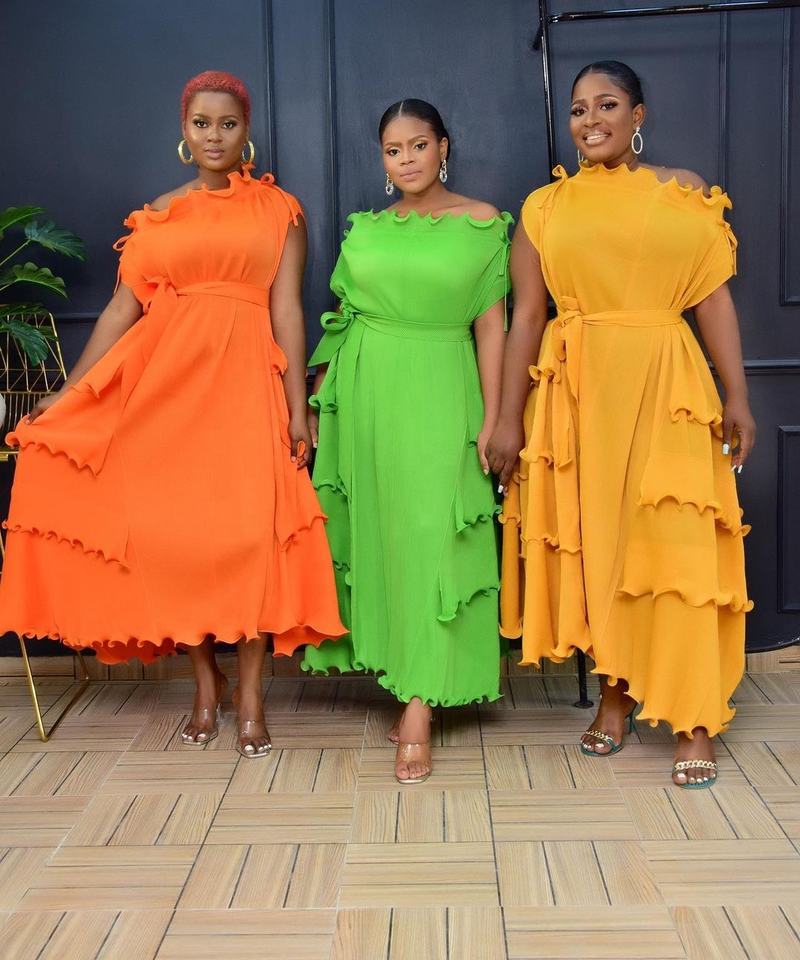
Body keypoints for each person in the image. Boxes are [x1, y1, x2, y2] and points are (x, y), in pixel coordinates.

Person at [0, 70, 344, 758]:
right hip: (164, 390)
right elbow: (122, 311)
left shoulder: (280, 211)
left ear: (246, 132)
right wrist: (69, 393)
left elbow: (286, 310)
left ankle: (251, 697)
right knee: (175, 543)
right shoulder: (158, 215)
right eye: (201, 124)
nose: (215, 136)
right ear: (184, 133)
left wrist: (295, 410)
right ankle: (206, 684)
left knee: (251, 539)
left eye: (228, 124)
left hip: (245, 385)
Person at [488, 61, 754, 788]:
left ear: (638, 116)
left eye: (607, 105)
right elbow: (525, 319)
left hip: (668, 382)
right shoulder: (544, 207)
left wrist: (737, 394)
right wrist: (507, 418)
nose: (590, 120)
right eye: (578, 109)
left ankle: (694, 717)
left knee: (676, 544)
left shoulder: (684, 191)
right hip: (578, 392)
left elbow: (713, 300)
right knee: (603, 547)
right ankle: (616, 693)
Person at [304, 99, 509, 783]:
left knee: (434, 537)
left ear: (443, 147)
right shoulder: (367, 230)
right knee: (385, 538)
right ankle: (403, 678)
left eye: (418, 145)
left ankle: (420, 706)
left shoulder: (481, 223)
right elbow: (341, 319)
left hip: (443, 389)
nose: (406, 160)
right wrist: (318, 402)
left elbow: (492, 329)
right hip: (365, 397)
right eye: (393, 150)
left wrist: (494, 417)